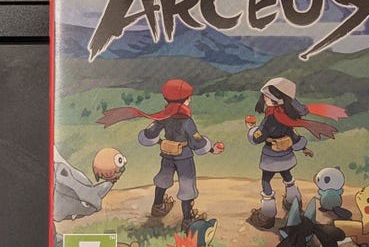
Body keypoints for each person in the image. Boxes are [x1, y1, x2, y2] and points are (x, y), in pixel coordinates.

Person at [98, 78, 224, 231]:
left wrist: (160, 141)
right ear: (184, 100)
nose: (190, 100)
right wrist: (211, 149)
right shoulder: (187, 121)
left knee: (163, 178)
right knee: (187, 185)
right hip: (184, 157)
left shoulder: (164, 117)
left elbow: (150, 133)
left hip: (167, 155)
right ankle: (188, 220)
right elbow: (196, 141)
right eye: (188, 98)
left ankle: (158, 206)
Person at [245, 77, 346, 230]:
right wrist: (303, 147)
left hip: (271, 156)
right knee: (287, 176)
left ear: (274, 99)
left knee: (266, 180)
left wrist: (251, 129)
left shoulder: (271, 118)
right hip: (286, 155)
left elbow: (258, 138)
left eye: (267, 96)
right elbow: (293, 135)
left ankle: (267, 215)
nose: (265, 98)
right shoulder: (287, 116)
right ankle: (294, 202)